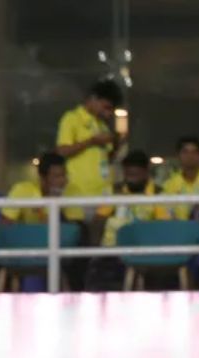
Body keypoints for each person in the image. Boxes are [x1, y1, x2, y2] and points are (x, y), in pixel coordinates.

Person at [55, 78, 122, 238]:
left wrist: (117, 144)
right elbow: (62, 151)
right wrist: (91, 141)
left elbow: (107, 160)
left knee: (100, 242)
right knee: (80, 240)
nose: (108, 113)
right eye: (105, 107)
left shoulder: (102, 126)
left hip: (103, 194)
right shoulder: (72, 119)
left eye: (111, 110)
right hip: (79, 194)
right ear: (93, 99)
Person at [104, 150, 164, 246]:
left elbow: (163, 225)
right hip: (113, 250)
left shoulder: (158, 193)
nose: (131, 180)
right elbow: (99, 219)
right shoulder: (114, 190)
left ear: (146, 172)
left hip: (146, 247)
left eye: (135, 175)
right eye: (128, 175)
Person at [4, 152, 71, 224]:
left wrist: (57, 207)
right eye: (57, 176)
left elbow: (77, 228)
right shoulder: (22, 190)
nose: (63, 181)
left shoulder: (72, 191)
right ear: (43, 178)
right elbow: (5, 223)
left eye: (64, 175)